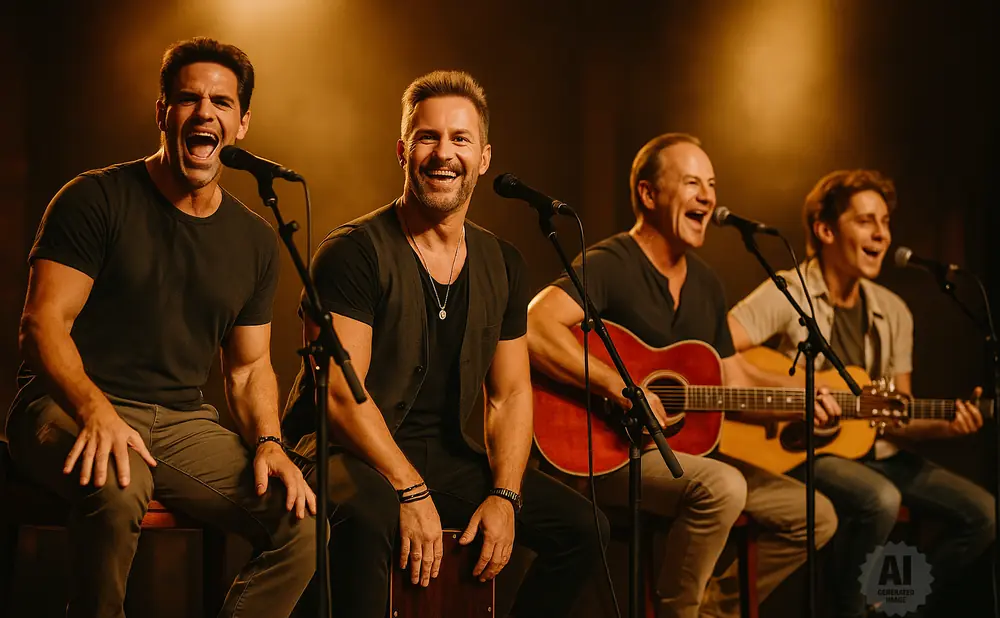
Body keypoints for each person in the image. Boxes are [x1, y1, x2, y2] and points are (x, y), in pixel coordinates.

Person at [4, 38, 318, 618]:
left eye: (222, 103)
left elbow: (249, 369)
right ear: (162, 112)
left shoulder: (253, 239)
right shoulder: (95, 198)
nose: (205, 113)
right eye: (188, 99)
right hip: (65, 403)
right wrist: (96, 412)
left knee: (300, 521)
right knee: (117, 484)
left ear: (242, 124)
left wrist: (271, 442)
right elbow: (41, 325)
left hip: (177, 424)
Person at [281, 70, 608, 618]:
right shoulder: (352, 253)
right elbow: (340, 397)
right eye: (428, 137)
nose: (443, 153)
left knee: (585, 528)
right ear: (403, 149)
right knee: (369, 515)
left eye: (460, 139)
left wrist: (506, 495)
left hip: (445, 456)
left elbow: (509, 396)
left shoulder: (503, 262)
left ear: (483, 157)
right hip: (343, 449)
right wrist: (408, 488)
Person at [526, 132, 840, 618]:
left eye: (712, 185)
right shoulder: (612, 263)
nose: (709, 197)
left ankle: (713, 610)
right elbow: (535, 325)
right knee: (723, 486)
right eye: (693, 183)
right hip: (607, 456)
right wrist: (620, 387)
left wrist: (803, 397)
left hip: (687, 456)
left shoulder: (707, 284)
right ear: (649, 195)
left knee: (815, 514)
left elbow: (734, 380)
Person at [728, 169, 995, 618]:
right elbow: (716, 348)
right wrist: (800, 391)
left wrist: (948, 425)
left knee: (983, 513)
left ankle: (889, 603)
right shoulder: (790, 290)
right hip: (804, 448)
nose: (882, 234)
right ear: (825, 229)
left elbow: (898, 415)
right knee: (880, 499)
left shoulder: (893, 311)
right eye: (866, 221)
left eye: (886, 221)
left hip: (878, 450)